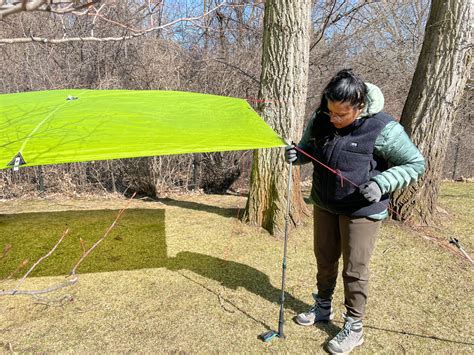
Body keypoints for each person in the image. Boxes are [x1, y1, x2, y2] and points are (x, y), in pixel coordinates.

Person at [285, 69, 425, 354]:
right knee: (324, 259)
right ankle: (323, 307)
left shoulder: (384, 128)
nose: (334, 119)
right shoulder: (322, 117)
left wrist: (382, 182)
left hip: (362, 209)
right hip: (325, 202)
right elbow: (308, 148)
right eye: (331, 112)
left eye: (342, 114)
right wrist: (297, 155)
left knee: (354, 269)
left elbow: (415, 163)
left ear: (359, 107)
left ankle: (354, 326)